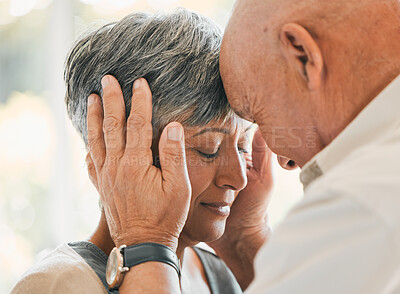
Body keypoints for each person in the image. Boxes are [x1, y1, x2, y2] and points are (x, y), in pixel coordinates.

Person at [82, 0, 400, 293]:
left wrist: (145, 243)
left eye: (252, 130)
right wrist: (242, 241)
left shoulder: (362, 204)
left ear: (302, 55)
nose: (285, 159)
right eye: (208, 148)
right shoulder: (59, 281)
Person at [10, 8, 273, 294]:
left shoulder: (220, 274)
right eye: (208, 149)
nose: (239, 178)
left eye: (242, 146)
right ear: (119, 152)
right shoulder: (58, 285)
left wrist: (245, 239)